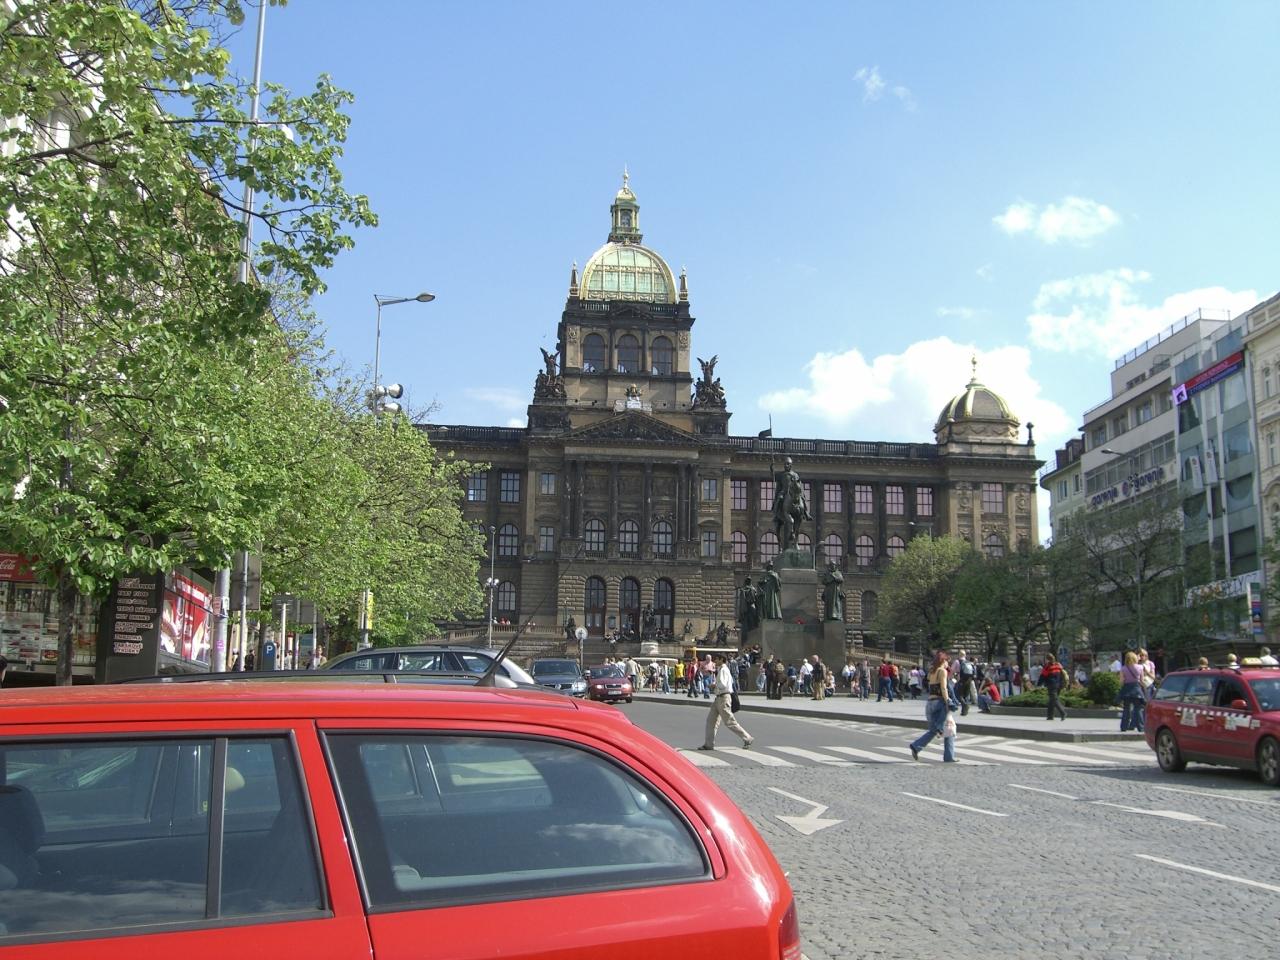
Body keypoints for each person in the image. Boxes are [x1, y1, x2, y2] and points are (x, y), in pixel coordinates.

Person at [699, 653, 753, 750]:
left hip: (723, 698)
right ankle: (709, 744)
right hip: (718, 698)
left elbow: (723, 685)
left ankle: (747, 738)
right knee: (711, 721)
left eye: (716, 659)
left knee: (729, 722)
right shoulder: (722, 669)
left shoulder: (723, 670)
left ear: (721, 659)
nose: (715, 661)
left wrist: (714, 685)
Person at [910, 650, 956, 762]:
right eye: (947, 661)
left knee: (933, 730)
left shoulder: (932, 672)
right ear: (943, 661)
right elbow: (943, 688)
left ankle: (916, 746)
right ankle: (949, 756)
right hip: (939, 703)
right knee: (949, 728)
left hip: (930, 703)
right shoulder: (942, 671)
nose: (948, 664)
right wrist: (947, 700)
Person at [1119, 651, 1146, 732]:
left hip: (1127, 690)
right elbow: (1142, 680)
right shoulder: (1140, 667)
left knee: (1126, 709)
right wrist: (1144, 689)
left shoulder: (1123, 668)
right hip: (1137, 689)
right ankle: (1141, 727)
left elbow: (1121, 681)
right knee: (1138, 709)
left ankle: (1124, 727)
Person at [1038, 653, 1067, 721]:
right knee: (1052, 700)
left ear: (1047, 659)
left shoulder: (1047, 666)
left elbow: (1043, 676)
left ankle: (1063, 712)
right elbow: (1062, 674)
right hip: (1059, 685)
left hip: (1052, 685)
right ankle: (1050, 716)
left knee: (1054, 700)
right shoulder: (1058, 665)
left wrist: (1039, 684)